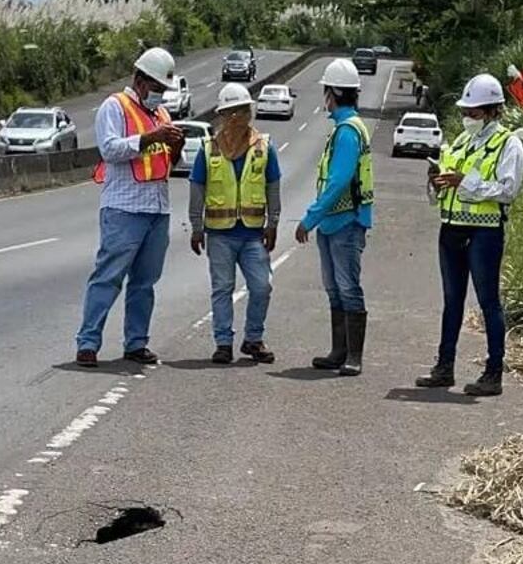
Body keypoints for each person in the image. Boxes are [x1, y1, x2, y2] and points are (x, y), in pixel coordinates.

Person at [416, 72, 523, 396]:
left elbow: (508, 190)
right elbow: (443, 190)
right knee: (452, 302)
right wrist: (436, 180)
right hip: (451, 228)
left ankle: (493, 373)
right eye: (465, 112)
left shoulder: (509, 144)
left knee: (488, 302)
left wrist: (464, 181)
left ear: (493, 111)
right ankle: (444, 367)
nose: (467, 118)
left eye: (474, 113)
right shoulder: (461, 142)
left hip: (485, 232)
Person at [75, 47, 185, 367]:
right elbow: (110, 149)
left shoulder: (162, 116)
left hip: (157, 208)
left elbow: (166, 162)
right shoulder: (115, 107)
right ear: (139, 80)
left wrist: (174, 145)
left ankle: (136, 343)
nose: (159, 95)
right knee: (108, 277)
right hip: (124, 207)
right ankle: (88, 343)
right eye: (156, 88)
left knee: (145, 282)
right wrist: (151, 138)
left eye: (163, 90)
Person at [189, 83, 282, 364]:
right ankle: (224, 343)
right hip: (220, 235)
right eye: (230, 113)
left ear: (249, 113)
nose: (236, 118)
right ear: (221, 115)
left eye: (241, 112)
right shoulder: (209, 150)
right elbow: (197, 189)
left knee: (262, 286)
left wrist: (273, 223)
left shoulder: (264, 148)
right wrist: (196, 227)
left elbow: (273, 187)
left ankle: (253, 339)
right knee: (223, 289)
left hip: (253, 234)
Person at [295, 58, 374, 376]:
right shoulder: (344, 128)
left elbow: (339, 180)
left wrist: (309, 218)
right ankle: (340, 351)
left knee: (347, 286)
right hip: (334, 223)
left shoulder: (348, 132)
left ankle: (353, 355)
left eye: (326, 92)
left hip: (345, 222)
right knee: (334, 287)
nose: (324, 98)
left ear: (334, 94)